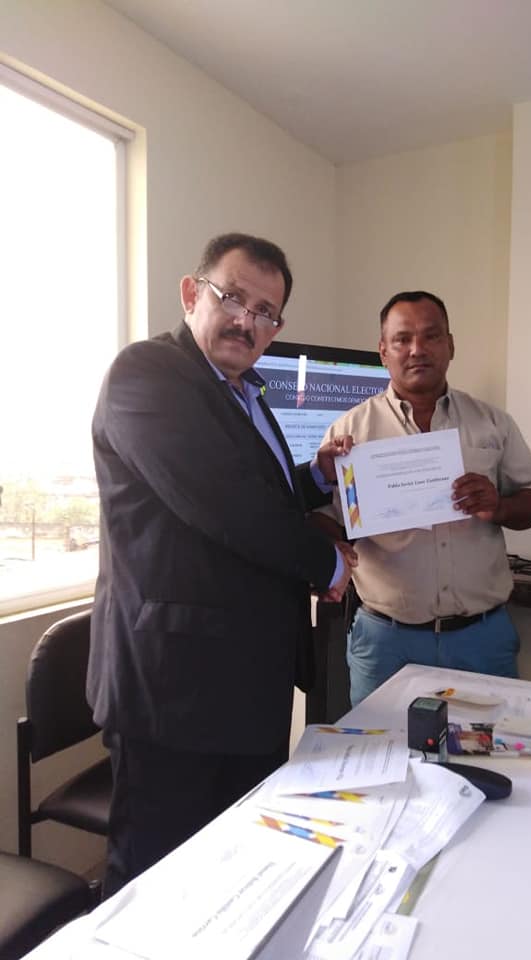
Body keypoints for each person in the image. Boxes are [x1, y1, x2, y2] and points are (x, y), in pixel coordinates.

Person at [88, 233, 354, 895]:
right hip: (172, 690)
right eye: (232, 297)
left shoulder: (246, 392)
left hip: (246, 684)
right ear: (191, 294)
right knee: (156, 886)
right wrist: (326, 564)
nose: (246, 321)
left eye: (265, 312)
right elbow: (222, 502)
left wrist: (318, 478)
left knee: (233, 877)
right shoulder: (147, 374)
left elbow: (259, 492)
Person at [317, 290, 531, 705]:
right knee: (382, 747)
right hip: (387, 642)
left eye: (431, 336)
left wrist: (499, 506)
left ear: (450, 345)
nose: (417, 349)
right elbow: (325, 520)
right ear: (383, 350)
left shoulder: (492, 423)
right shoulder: (349, 433)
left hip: (482, 639)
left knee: (492, 744)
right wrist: (333, 543)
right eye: (402, 339)